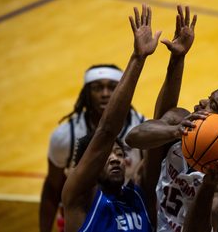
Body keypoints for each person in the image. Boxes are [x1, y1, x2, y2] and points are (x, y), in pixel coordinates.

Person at [125, 5, 218, 232]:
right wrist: (174, 132)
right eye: (208, 98)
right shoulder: (181, 122)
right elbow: (134, 138)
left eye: (212, 105)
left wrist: (208, 186)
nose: (201, 103)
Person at [61, 4, 161, 231]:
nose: (116, 158)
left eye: (119, 153)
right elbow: (106, 131)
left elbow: (158, 137)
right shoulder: (80, 198)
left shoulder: (139, 195)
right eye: (107, 155)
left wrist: (176, 61)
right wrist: (138, 58)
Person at [39, 48, 146, 232]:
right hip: (83, 213)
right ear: (87, 93)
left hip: (127, 213)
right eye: (97, 88)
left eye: (112, 87)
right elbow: (52, 189)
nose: (105, 93)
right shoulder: (66, 136)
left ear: (122, 90)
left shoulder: (141, 128)